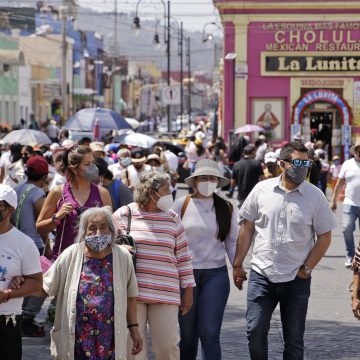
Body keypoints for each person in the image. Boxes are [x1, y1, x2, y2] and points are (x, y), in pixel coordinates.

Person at [233, 142, 336, 360]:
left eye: (307, 163)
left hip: (296, 278)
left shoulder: (315, 196)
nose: (303, 168)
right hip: (262, 275)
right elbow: (247, 227)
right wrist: (237, 263)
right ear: (282, 164)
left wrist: (307, 268)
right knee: (254, 331)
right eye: (297, 163)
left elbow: (325, 236)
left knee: (294, 340)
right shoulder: (261, 190)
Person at [34, 207, 141, 359]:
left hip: (109, 339)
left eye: (103, 227)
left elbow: (131, 297)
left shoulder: (122, 256)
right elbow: (46, 287)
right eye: (92, 228)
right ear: (84, 232)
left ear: (111, 230)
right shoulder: (71, 253)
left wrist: (134, 329)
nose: (98, 233)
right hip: (77, 337)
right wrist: (21, 284)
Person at [113, 171, 195, 360]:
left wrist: (188, 289)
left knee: (168, 346)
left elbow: (183, 255)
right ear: (151, 192)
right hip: (131, 293)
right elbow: (109, 248)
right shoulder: (125, 214)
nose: (170, 193)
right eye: (166, 190)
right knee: (132, 348)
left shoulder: (173, 218)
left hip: (166, 291)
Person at [172, 159, 239, 360]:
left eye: (212, 178)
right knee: (188, 335)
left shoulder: (227, 207)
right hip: (185, 277)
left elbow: (231, 242)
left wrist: (237, 268)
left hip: (215, 276)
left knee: (210, 333)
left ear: (218, 181)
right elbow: (170, 239)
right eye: (203, 178)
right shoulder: (181, 204)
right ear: (195, 181)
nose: (207, 181)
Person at [36, 145, 112, 260]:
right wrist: (57, 216)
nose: (93, 167)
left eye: (93, 163)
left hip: (95, 263)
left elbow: (110, 228)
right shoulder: (58, 192)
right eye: (87, 164)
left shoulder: (103, 193)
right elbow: (40, 228)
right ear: (74, 169)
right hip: (64, 260)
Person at [0, 184, 42, 360]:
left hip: (6, 322)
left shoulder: (24, 244)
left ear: (9, 210)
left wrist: (8, 294)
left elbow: (36, 282)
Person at [13, 156, 49, 337]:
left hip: (14, 243)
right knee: (40, 284)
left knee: (18, 281)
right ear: (44, 176)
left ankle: (18, 316)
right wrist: (48, 245)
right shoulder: (37, 194)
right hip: (34, 245)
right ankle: (26, 319)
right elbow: (42, 224)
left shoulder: (15, 189)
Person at [330, 139, 360, 267]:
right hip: (350, 202)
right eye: (358, 150)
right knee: (347, 228)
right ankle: (350, 255)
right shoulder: (347, 164)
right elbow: (339, 183)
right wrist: (333, 200)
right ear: (354, 151)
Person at [230, 144, 264, 210]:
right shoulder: (257, 163)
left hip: (241, 196)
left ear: (243, 153)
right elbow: (263, 179)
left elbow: (232, 183)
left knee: (240, 217)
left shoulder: (236, 164)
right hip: (254, 196)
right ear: (253, 152)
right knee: (253, 218)